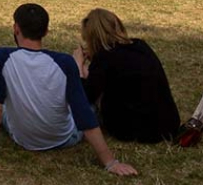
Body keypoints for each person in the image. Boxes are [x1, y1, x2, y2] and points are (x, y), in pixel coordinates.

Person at [0, 3, 138, 176]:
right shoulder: (64, 63)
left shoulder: (0, 57)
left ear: (16, 28)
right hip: (64, 138)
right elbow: (83, 114)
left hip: (21, 137)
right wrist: (110, 162)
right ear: (46, 31)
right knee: (88, 105)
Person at [73, 9, 180, 144]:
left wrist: (78, 66)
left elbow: (87, 96)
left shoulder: (105, 58)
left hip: (135, 130)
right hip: (168, 125)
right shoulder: (140, 46)